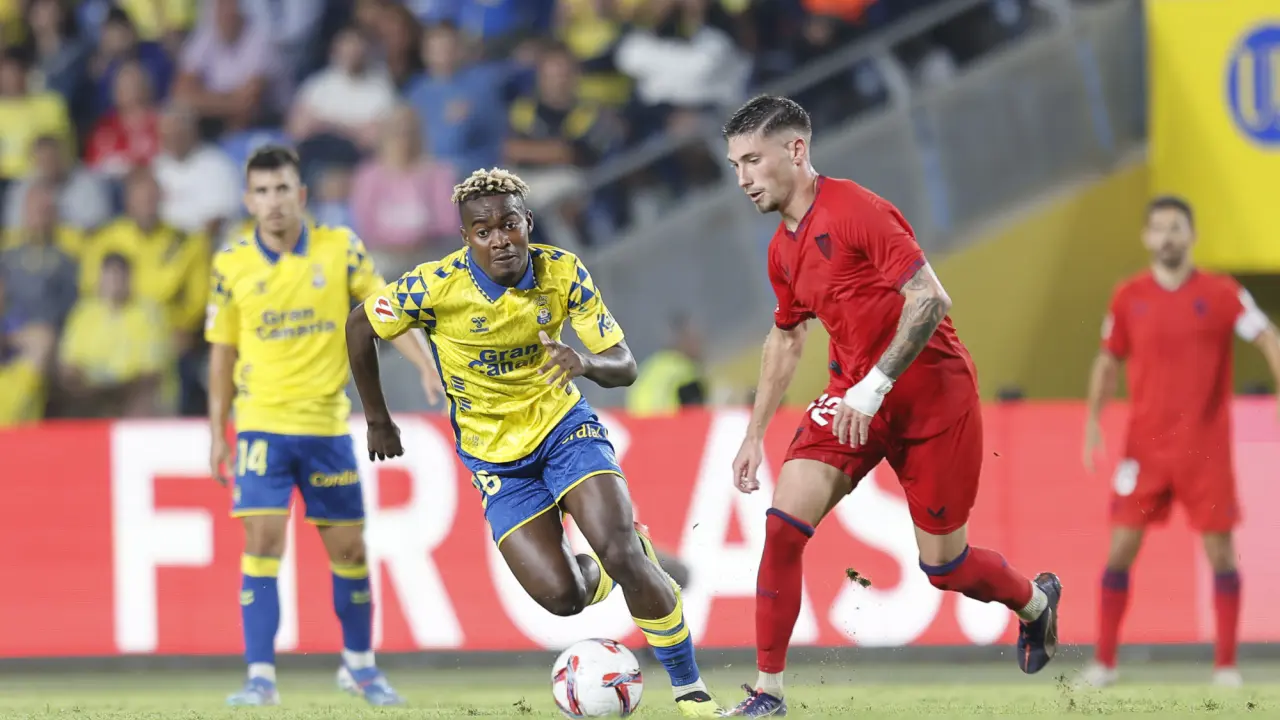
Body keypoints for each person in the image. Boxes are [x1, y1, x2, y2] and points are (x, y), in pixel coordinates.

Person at [719, 95, 1061, 717]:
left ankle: (1035, 602)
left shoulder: (856, 210)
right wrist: (753, 434)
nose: (742, 178)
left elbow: (930, 298)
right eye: (734, 165)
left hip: (933, 401)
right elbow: (787, 338)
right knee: (782, 528)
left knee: (947, 568)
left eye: (752, 160)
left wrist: (873, 386)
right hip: (850, 399)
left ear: (796, 150)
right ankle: (768, 693)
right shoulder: (781, 250)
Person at [345, 168, 721, 718]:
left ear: (527, 223)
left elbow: (624, 365)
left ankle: (691, 692)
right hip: (497, 461)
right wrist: (377, 419)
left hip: (565, 432)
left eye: (509, 224)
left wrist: (583, 361)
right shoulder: (433, 286)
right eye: (483, 231)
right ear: (466, 238)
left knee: (620, 551)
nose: (499, 239)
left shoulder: (562, 272)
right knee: (563, 598)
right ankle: (617, 562)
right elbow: (359, 325)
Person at [205, 145, 442, 707]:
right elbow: (222, 352)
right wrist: (217, 432)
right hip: (261, 425)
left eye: (282, 189)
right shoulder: (230, 264)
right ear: (248, 200)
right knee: (262, 541)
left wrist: (425, 364)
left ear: (302, 195)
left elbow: (385, 307)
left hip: (326, 427)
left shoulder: (341, 248)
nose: (273, 201)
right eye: (262, 191)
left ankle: (360, 667)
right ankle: (260, 677)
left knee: (350, 552)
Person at [1078, 196, 1280, 689]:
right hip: (1144, 450)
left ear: (1192, 235)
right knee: (1120, 550)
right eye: (1159, 228)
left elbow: (1268, 336)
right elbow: (1107, 359)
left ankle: (1226, 667)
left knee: (1221, 555)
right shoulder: (1128, 296)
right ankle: (1104, 663)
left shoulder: (1222, 293)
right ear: (1147, 237)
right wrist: (1093, 420)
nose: (1167, 236)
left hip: (1205, 451)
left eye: (1176, 227)